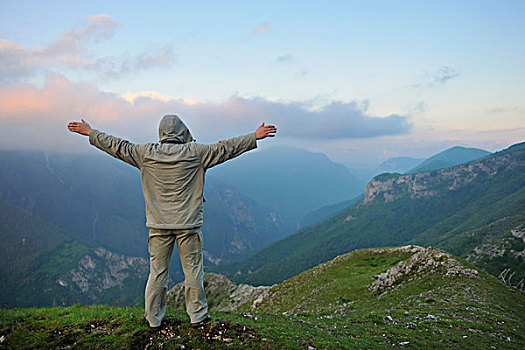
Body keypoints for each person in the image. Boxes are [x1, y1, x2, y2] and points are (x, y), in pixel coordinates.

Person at [67, 115, 277, 329]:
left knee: (157, 272)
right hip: (188, 225)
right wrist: (254, 137)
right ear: (182, 132)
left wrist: (90, 133)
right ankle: (197, 315)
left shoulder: (145, 153)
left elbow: (118, 146)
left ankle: (153, 318)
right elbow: (226, 148)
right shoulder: (196, 154)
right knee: (193, 270)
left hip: (158, 225)